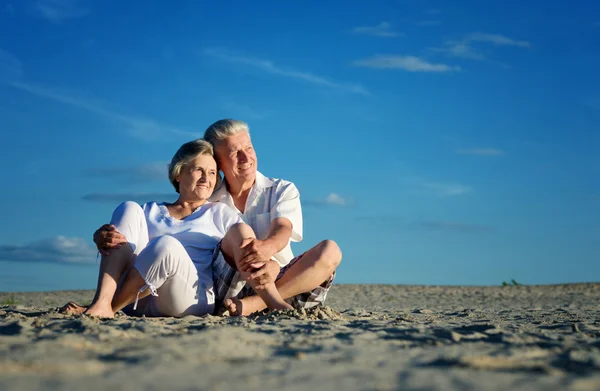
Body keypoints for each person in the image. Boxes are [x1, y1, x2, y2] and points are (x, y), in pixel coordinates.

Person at [93, 119, 343, 316]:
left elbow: (282, 229)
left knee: (330, 251)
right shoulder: (209, 200)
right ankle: (103, 303)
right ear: (220, 164)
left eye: (249, 148)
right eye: (235, 153)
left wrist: (266, 252)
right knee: (132, 210)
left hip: (279, 280)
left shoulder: (279, 189)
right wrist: (104, 236)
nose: (246, 158)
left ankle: (256, 304)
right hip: (227, 286)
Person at [60, 139, 292, 318]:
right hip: (136, 299)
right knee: (127, 207)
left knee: (167, 246)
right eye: (198, 170)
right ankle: (102, 302)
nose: (206, 178)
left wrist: (269, 263)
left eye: (212, 173)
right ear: (179, 173)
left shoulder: (219, 212)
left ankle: (107, 308)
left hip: (188, 298)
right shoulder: (148, 210)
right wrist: (100, 236)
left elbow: (245, 244)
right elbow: (122, 238)